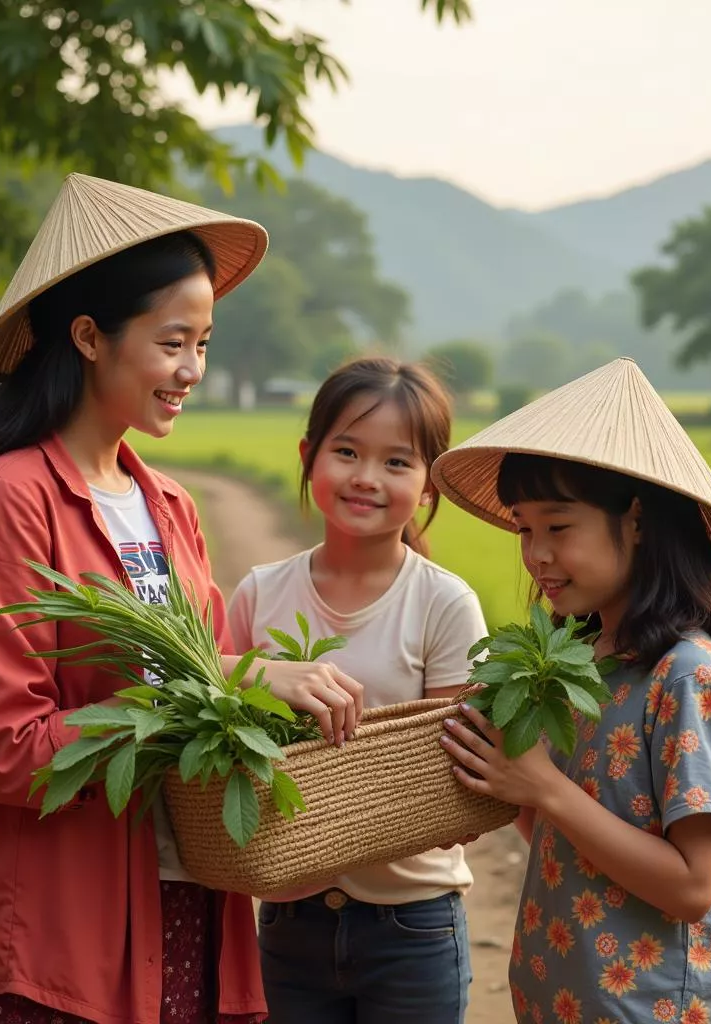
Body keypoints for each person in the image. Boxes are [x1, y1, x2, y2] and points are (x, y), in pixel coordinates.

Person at [0, 173, 364, 1024]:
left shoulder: (171, 506)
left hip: (188, 901)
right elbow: (9, 751)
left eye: (204, 343)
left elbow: (207, 690)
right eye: (172, 342)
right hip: (63, 929)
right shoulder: (13, 500)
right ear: (88, 336)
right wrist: (236, 682)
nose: (192, 370)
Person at [432, 357, 711, 1024]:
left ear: (636, 520)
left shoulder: (687, 676)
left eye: (558, 527)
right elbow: (558, 832)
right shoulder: (579, 664)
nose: (536, 554)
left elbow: (694, 888)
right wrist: (499, 771)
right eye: (525, 528)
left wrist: (544, 788)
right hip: (566, 998)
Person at [227, 356, 488, 1023]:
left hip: (414, 930)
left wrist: (327, 809)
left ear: (429, 484)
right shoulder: (260, 593)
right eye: (346, 452)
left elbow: (456, 791)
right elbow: (213, 723)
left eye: (397, 463)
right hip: (288, 922)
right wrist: (257, 676)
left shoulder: (443, 605)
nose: (367, 478)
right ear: (309, 456)